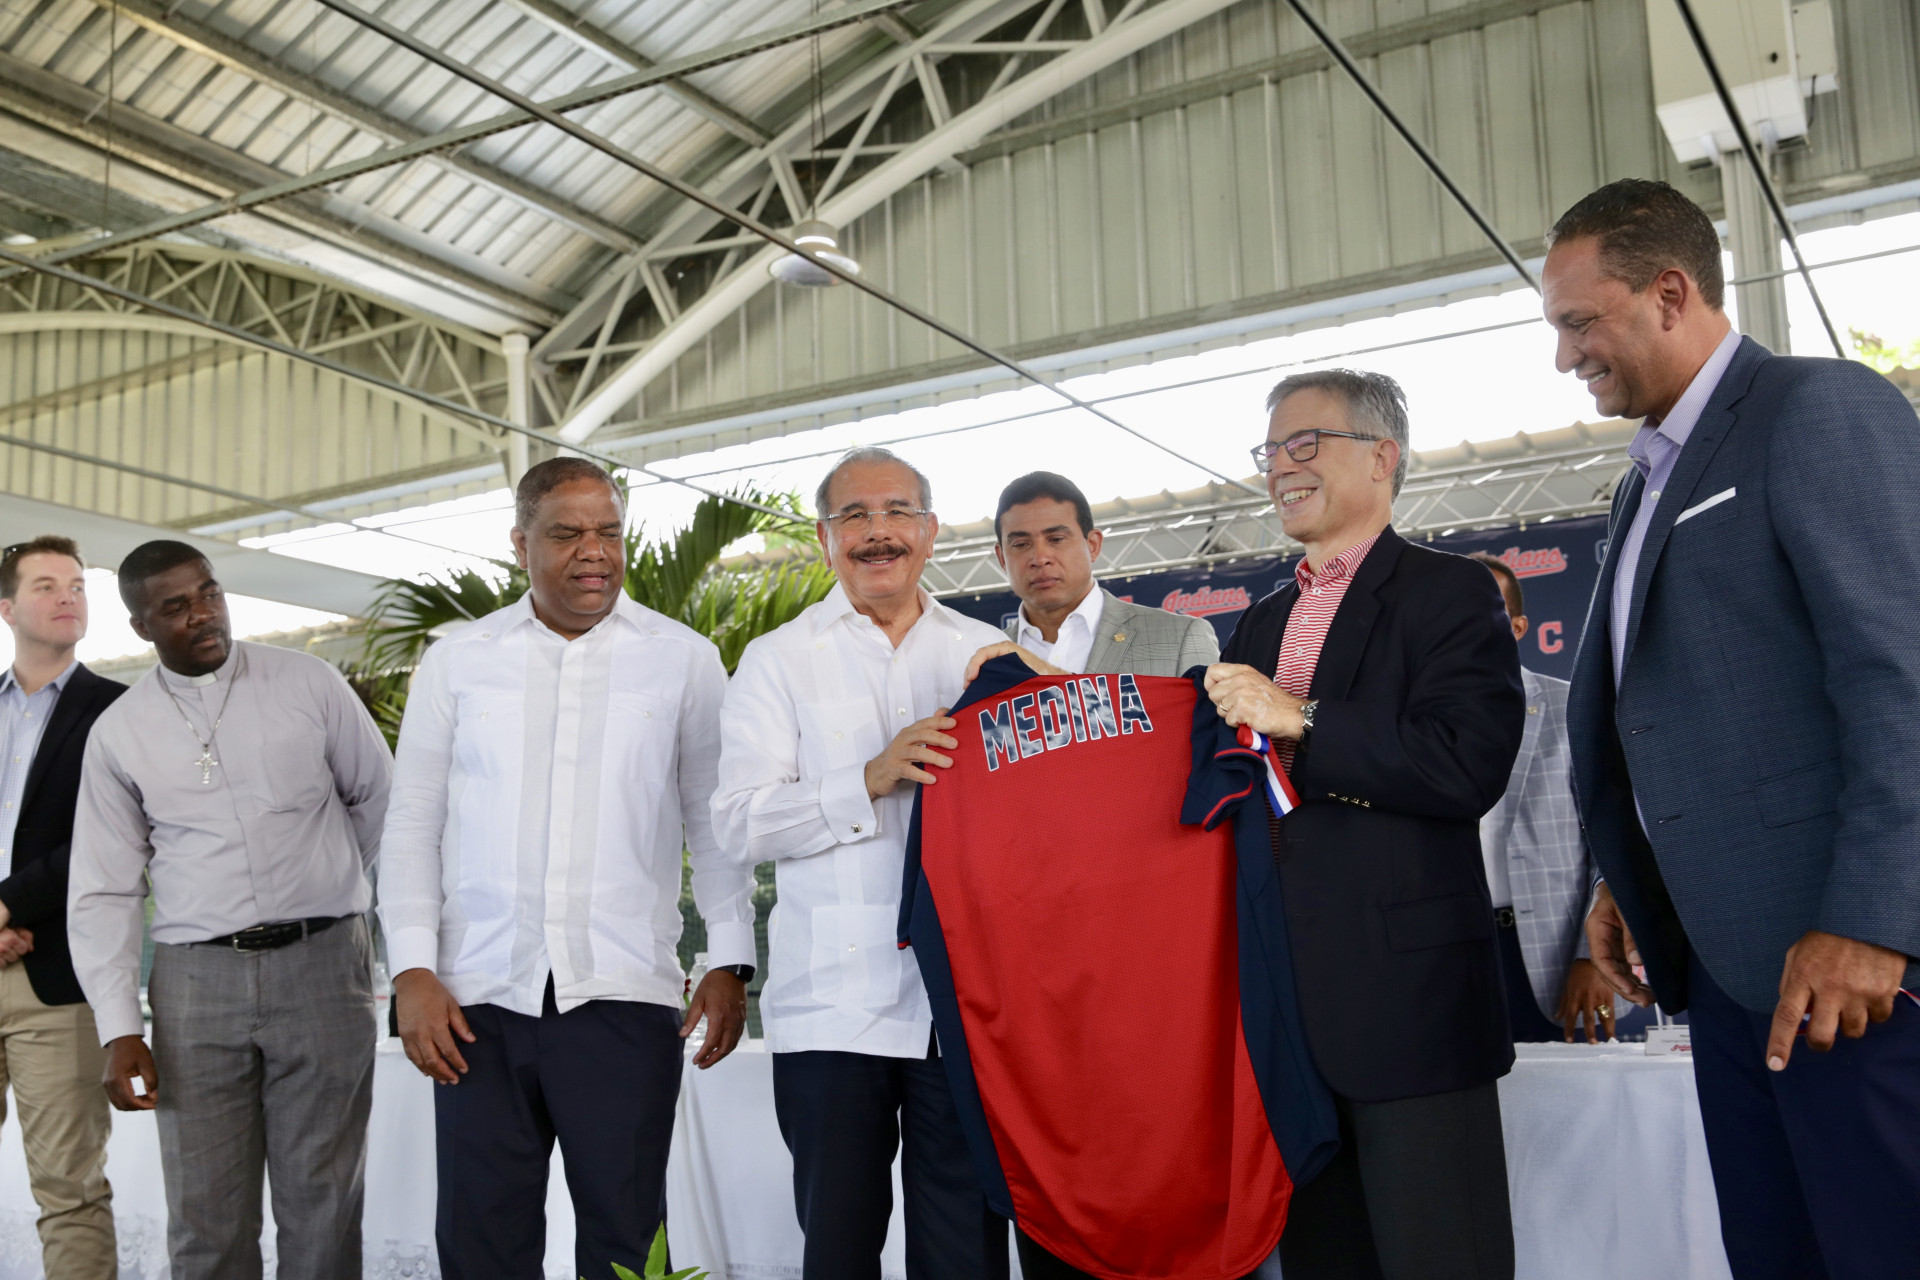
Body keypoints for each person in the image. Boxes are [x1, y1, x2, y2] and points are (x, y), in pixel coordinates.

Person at [1546, 178, 1920, 1280]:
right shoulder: (1643, 483)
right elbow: (1694, 709)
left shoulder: (1818, 408)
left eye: (1580, 322)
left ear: (1671, 293)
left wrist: (1871, 921)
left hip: (1850, 972)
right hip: (1726, 972)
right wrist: (1630, 874)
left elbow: (1900, 677)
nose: (1565, 357)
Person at [380, 457, 755, 1280]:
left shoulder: (684, 659)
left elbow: (714, 821)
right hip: (475, 1002)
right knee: (482, 1246)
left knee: (629, 1244)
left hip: (622, 998)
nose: (595, 551)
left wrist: (728, 961)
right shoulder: (457, 660)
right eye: (568, 533)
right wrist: (411, 970)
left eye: (610, 532)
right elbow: (411, 825)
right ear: (521, 545)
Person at [1202, 369, 1524, 1280]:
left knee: (1442, 1258)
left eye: (1305, 443)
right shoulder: (1259, 623)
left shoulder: (1449, 591)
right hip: (1286, 1012)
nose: (1280, 466)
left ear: (1382, 457)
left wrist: (1301, 718)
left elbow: (1465, 764)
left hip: (1412, 1005)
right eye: (1270, 450)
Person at [712, 447, 1011, 1280]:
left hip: (964, 1009)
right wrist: (868, 778)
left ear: (930, 530)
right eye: (854, 516)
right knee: (839, 1250)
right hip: (832, 1011)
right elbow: (738, 822)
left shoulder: (987, 651)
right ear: (823, 538)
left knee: (967, 1253)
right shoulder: (778, 659)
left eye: (897, 513)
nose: (878, 533)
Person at [69, 541, 391, 1280]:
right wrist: (120, 1028)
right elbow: (105, 889)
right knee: (205, 1218)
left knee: (324, 1206)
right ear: (141, 625)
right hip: (196, 984)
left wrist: (327, 884)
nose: (203, 614)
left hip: (323, 966)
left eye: (209, 592)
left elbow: (378, 799)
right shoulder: (119, 732)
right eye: (176, 606)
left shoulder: (308, 682)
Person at [0, 537, 124, 1278]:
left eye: (76, 584)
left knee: (70, 1189)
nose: (68, 595)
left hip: (58, 979)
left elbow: (111, 839)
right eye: (46, 585)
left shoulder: (119, 711)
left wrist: (8, 909)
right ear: (7, 609)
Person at [1466, 552, 1618, 1045]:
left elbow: (1615, 842)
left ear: (1517, 627)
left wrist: (1593, 956)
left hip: (1557, 959)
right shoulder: (1412, 724)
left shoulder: (1574, 709)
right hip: (1452, 954)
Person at [976, 471, 1219, 679]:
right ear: (1001, 558)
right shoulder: (982, 660)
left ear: (1092, 545)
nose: (1040, 558)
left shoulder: (1179, 638)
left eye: (1056, 539)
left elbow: (1212, 722)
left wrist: (1048, 673)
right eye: (1020, 544)